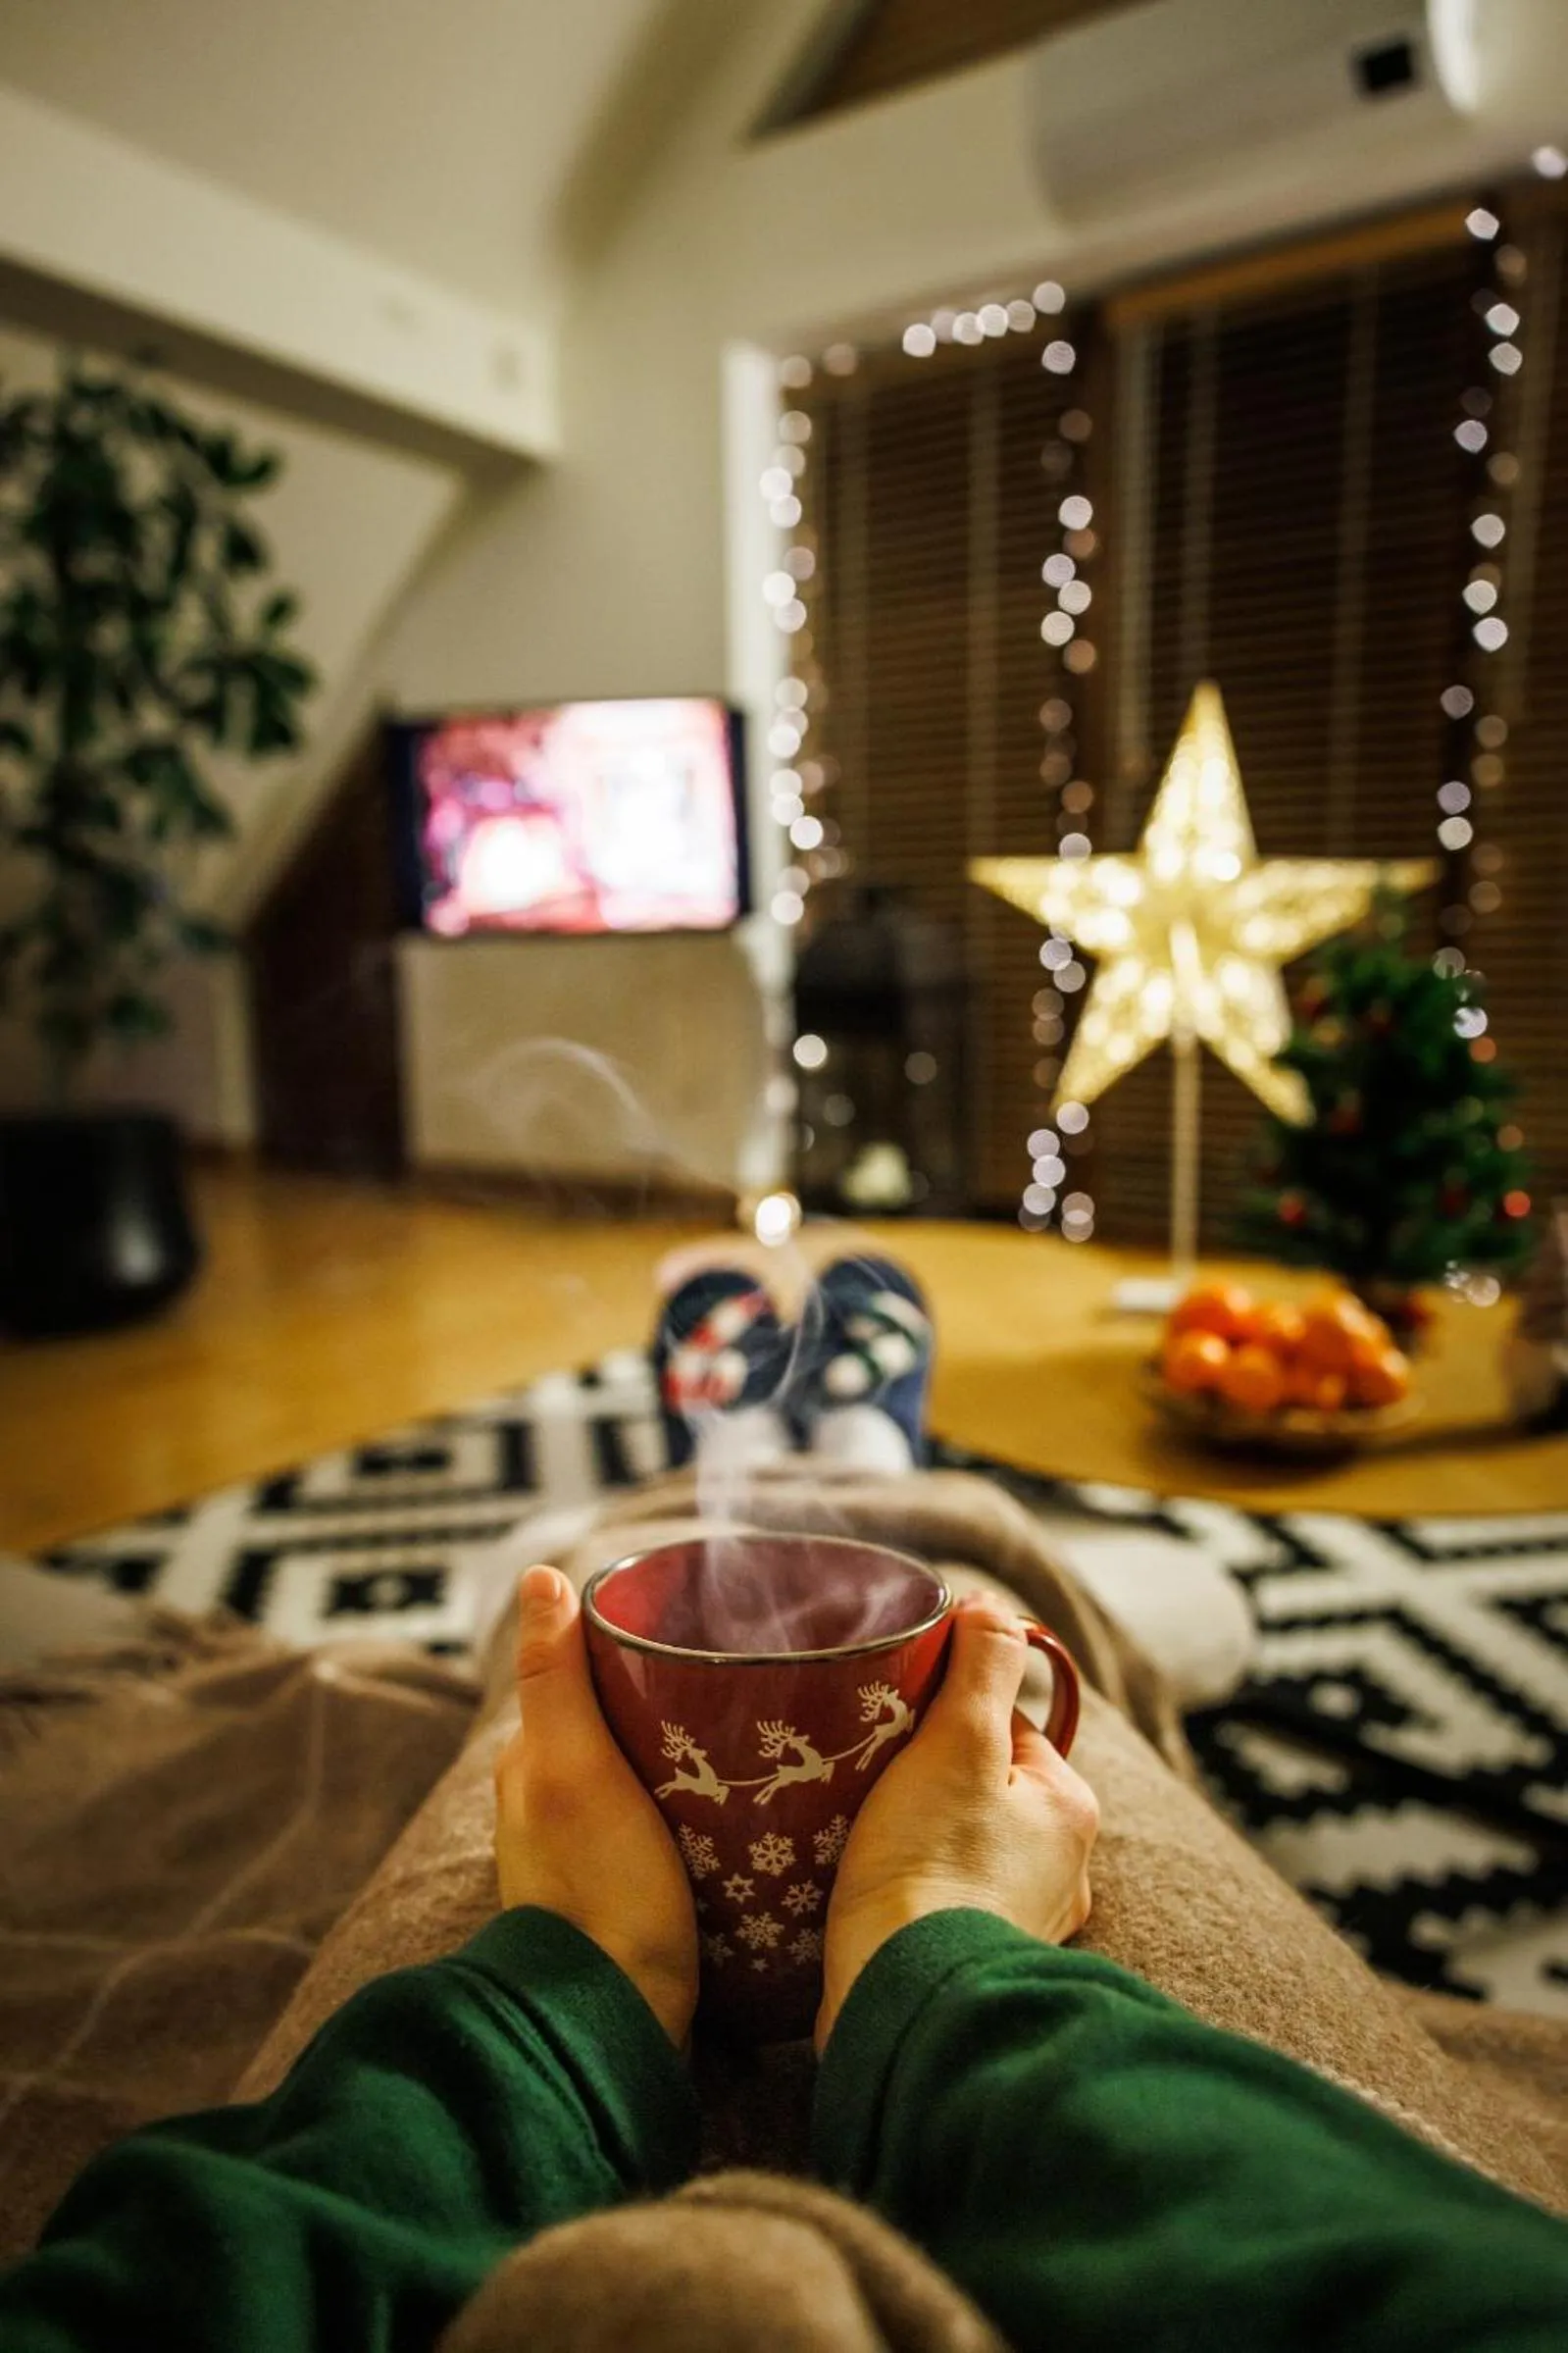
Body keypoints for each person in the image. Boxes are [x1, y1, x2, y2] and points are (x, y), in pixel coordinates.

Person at [2, 1562, 1566, 2353]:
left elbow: (207, 2269)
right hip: (962, 1987)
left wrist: (564, 1969)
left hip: (566, 1998)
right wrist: (946, 1947)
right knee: (1000, 1604)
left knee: (536, 1670)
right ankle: (1003, 1542)